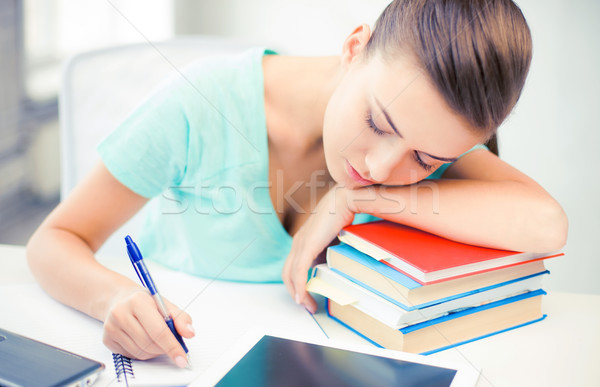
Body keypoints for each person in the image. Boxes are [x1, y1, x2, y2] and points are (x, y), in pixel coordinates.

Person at [27, 0, 567, 369]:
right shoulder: (199, 101)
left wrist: (356, 197)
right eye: (379, 123)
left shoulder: (431, 134)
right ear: (356, 46)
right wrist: (115, 298)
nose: (382, 167)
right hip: (176, 356)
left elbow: (548, 223)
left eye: (425, 161)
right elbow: (55, 240)